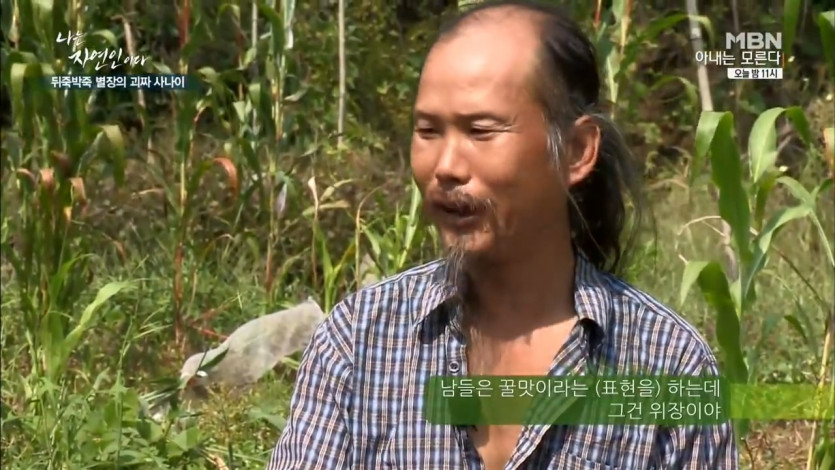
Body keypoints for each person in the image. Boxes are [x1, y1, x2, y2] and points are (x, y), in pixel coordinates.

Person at [267, 1, 738, 468]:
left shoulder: (667, 363)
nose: (446, 168)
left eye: (481, 130)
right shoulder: (359, 343)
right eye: (427, 131)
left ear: (575, 151)